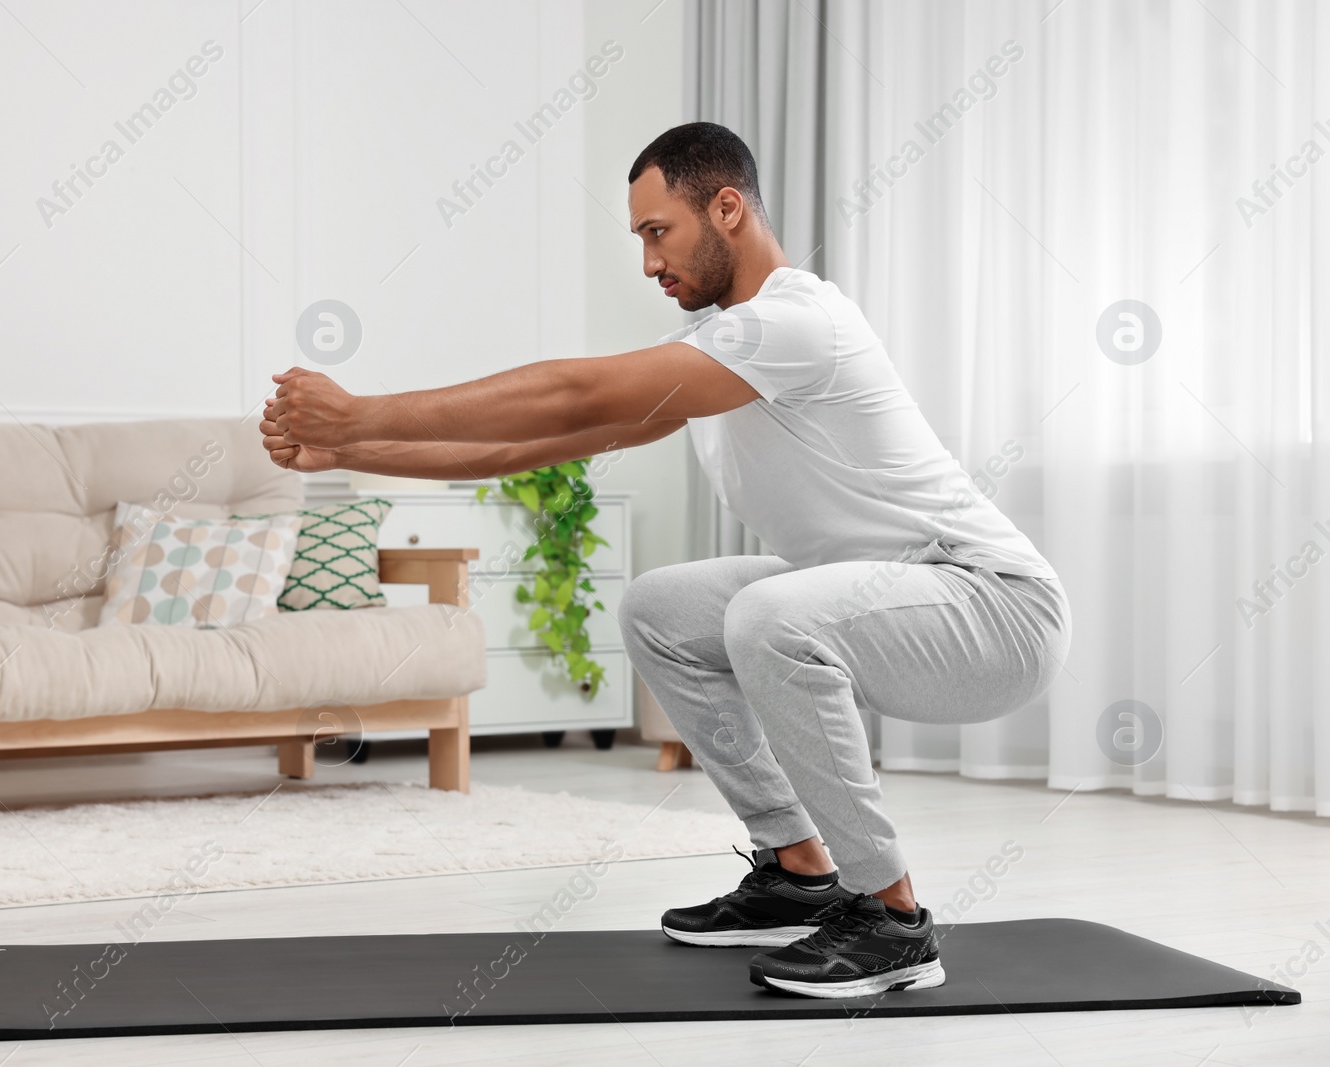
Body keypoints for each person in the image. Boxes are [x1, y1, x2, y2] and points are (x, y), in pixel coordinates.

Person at [259, 121, 1070, 999]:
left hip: (994, 609)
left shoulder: (795, 322)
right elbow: (537, 439)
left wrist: (362, 411)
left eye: (658, 232)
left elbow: (575, 386)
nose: (649, 263)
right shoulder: (725, 352)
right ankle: (798, 870)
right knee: (663, 607)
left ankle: (893, 920)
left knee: (770, 615)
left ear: (726, 209)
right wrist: (349, 453)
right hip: (891, 600)